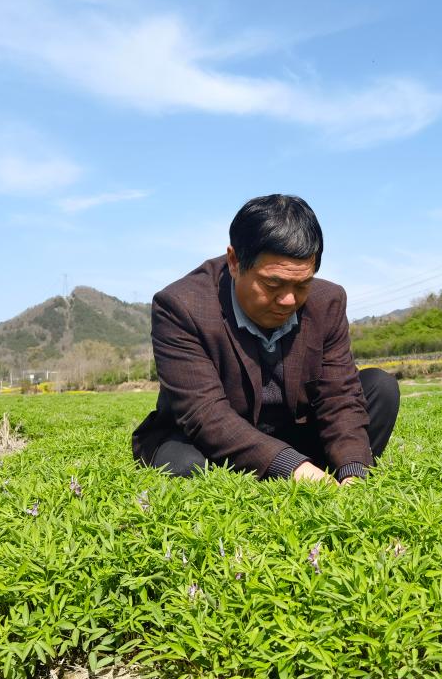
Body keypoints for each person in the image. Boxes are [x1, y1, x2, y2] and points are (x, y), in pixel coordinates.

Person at [132, 194, 399, 484]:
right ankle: (291, 471)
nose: (288, 300)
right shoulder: (181, 306)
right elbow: (204, 414)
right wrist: (293, 467)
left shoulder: (328, 301)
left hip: (293, 430)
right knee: (186, 465)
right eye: (272, 284)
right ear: (234, 262)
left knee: (379, 388)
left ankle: (314, 471)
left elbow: (339, 396)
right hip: (206, 440)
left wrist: (353, 469)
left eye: (302, 284)